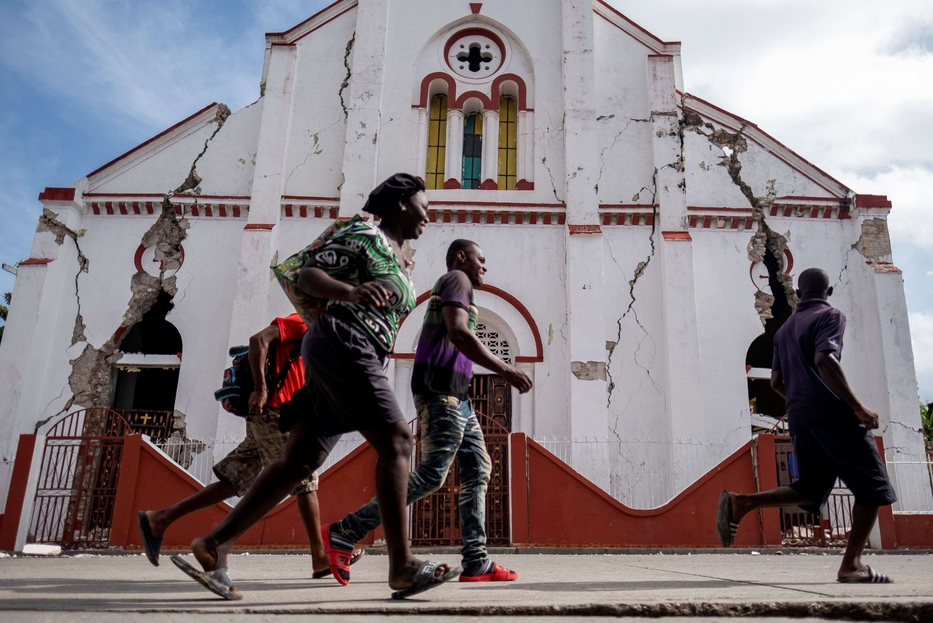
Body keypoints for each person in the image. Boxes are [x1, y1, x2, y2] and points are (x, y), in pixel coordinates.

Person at [171, 173, 457, 600]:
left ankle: (214, 544)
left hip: (352, 349)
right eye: (423, 208)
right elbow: (308, 276)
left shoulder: (397, 256)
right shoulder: (366, 234)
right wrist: (352, 291)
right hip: (345, 341)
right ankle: (402, 566)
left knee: (300, 462)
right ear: (400, 204)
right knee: (398, 442)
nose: (427, 218)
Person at [324, 239, 531, 583]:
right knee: (433, 474)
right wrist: (505, 369)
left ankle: (476, 560)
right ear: (461, 258)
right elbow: (459, 332)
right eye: (481, 259)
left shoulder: (460, 286)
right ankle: (345, 531)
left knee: (478, 467)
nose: (485, 267)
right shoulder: (457, 280)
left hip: (457, 397)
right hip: (440, 391)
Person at [138, 315, 361, 577]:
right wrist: (260, 389)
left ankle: (159, 519)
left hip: (276, 414)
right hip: (275, 412)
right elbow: (258, 340)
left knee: (234, 480)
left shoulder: (324, 332)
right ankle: (319, 556)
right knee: (303, 476)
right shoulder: (302, 320)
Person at [716, 267, 897, 583]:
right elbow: (825, 360)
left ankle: (741, 502)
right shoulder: (831, 315)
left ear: (798, 294)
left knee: (809, 489)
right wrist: (858, 408)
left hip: (801, 420)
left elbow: (775, 382)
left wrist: (801, 401)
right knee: (873, 489)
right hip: (833, 417)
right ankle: (851, 565)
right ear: (828, 292)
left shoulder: (784, 330)